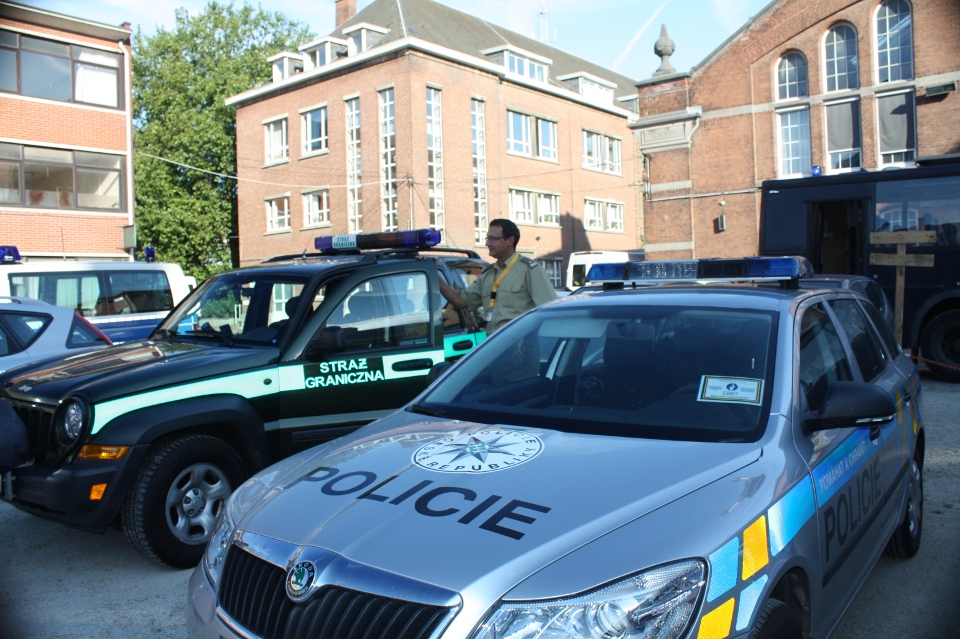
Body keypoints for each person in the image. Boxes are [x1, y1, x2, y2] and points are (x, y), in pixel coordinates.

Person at [438, 219, 556, 334]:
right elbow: (461, 301)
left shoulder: (530, 270)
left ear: (510, 240)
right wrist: (435, 274)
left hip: (521, 342)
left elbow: (549, 311)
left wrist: (530, 337)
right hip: (495, 342)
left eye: (493, 239)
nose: (487, 243)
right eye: (487, 238)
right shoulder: (488, 273)